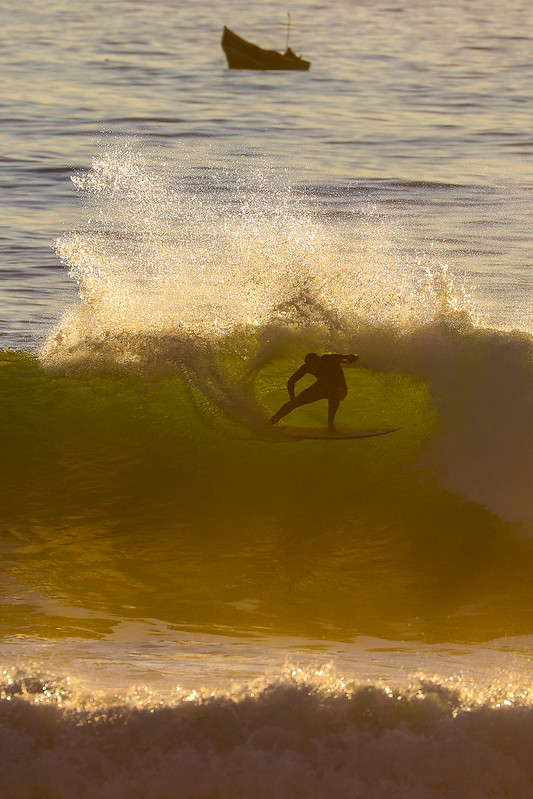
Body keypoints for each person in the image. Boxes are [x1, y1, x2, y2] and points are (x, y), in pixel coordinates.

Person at [268, 352, 359, 433]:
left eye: (314, 366)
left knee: (334, 394)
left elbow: (355, 356)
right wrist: (292, 397)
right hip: (322, 387)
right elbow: (291, 381)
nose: (312, 369)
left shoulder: (328, 359)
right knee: (296, 402)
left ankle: (330, 426)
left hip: (340, 388)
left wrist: (347, 360)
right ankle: (272, 421)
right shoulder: (306, 367)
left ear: (319, 361)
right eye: (310, 367)